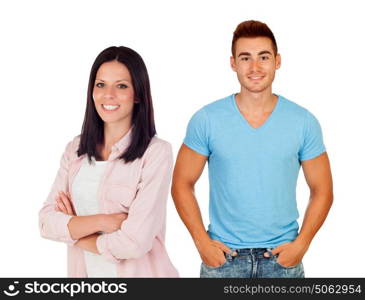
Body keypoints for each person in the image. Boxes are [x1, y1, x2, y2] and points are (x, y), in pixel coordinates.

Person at [171, 20, 333, 278]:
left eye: (264, 57)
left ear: (277, 61)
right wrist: (202, 243)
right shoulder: (207, 119)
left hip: (282, 260)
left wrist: (301, 245)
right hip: (224, 260)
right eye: (245, 58)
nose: (255, 67)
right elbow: (181, 183)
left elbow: (322, 190)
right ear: (233, 63)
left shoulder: (303, 121)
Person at [39, 46, 178, 277]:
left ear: (138, 94)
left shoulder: (156, 153)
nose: (108, 95)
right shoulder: (75, 150)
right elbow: (46, 223)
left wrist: (73, 229)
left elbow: (134, 243)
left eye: (121, 86)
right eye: (100, 84)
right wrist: (104, 222)